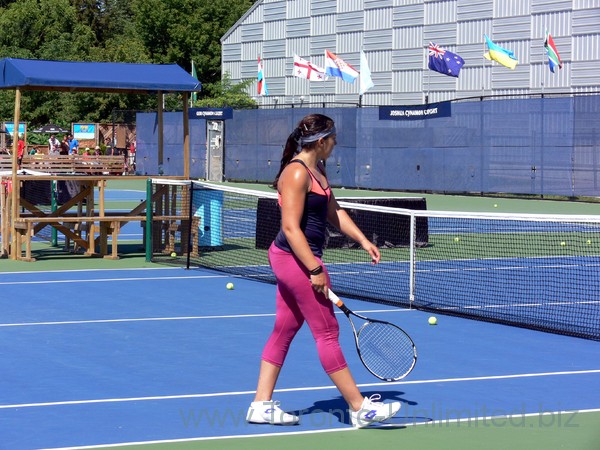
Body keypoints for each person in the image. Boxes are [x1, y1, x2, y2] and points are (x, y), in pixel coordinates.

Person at [246, 114, 401, 428]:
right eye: (333, 139)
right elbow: (290, 228)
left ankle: (260, 405)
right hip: (296, 259)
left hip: (299, 258)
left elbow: (334, 211)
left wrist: (362, 239)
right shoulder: (296, 173)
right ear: (321, 141)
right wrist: (314, 269)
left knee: (285, 328)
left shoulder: (317, 170)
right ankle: (359, 408)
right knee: (328, 332)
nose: (335, 144)